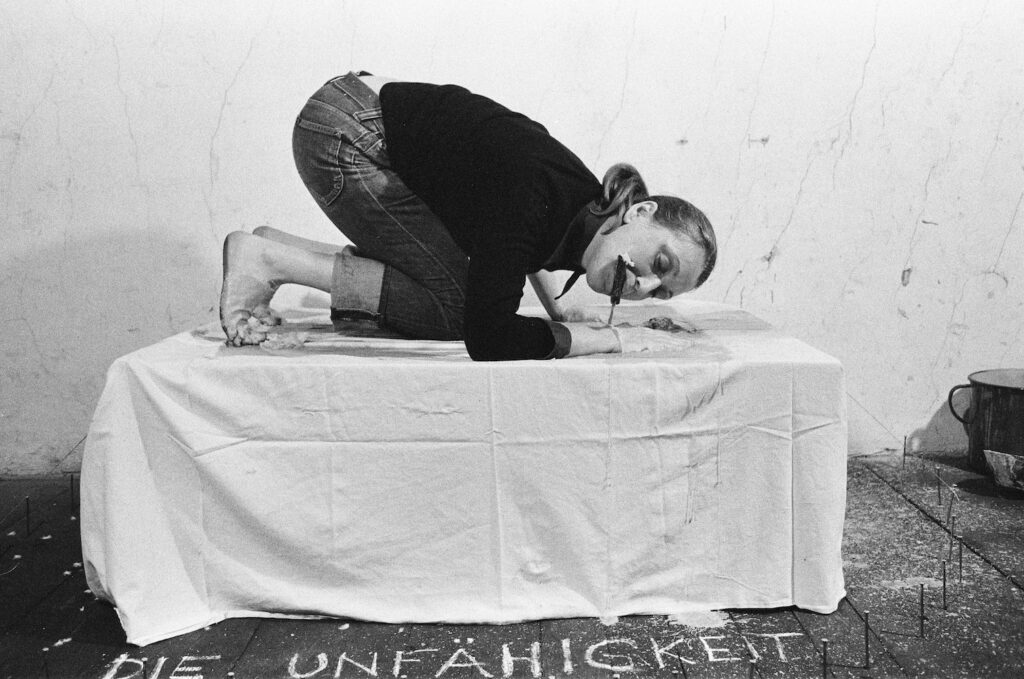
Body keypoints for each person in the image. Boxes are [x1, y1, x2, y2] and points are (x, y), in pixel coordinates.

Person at [220, 72, 717, 360]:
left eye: (663, 292)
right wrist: (589, 339)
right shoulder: (537, 190)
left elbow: (521, 248)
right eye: (662, 265)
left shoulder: (577, 205)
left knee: (463, 277)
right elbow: (487, 335)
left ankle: (278, 248)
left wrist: (557, 311)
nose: (646, 288)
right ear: (641, 211)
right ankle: (265, 260)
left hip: (355, 113)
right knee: (458, 308)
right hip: (347, 135)